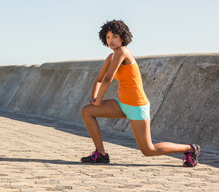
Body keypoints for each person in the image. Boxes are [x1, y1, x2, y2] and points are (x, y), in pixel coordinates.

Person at [80, 19, 200, 167]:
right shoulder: (111, 57)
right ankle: (101, 154)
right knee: (87, 111)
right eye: (108, 37)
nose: (111, 40)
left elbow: (107, 80)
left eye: (115, 36)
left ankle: (190, 149)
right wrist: (93, 99)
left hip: (137, 106)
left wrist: (98, 101)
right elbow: (98, 80)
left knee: (148, 150)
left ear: (123, 37)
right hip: (122, 104)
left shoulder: (123, 52)